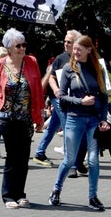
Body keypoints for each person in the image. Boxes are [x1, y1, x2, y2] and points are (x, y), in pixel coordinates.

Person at [49, 35, 109, 212]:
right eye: (74, 49)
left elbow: (105, 97)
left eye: (79, 49)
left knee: (93, 160)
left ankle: (93, 196)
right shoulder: (68, 68)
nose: (75, 52)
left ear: (89, 50)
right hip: (74, 118)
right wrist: (80, 102)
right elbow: (62, 97)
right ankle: (56, 190)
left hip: (93, 120)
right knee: (69, 159)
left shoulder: (99, 69)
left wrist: (103, 118)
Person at [0, 28, 43, 209]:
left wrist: (40, 116)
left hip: (26, 117)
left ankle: (20, 194)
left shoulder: (32, 62)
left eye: (24, 45)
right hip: (7, 117)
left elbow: (38, 91)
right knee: (12, 156)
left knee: (23, 157)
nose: (22, 48)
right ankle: (8, 195)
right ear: (9, 48)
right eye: (18, 45)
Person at [33, 30, 83, 168]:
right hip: (59, 98)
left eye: (69, 42)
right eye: (65, 41)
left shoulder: (81, 57)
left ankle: (39, 153)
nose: (66, 44)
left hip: (71, 98)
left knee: (53, 125)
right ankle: (70, 159)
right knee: (68, 125)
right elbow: (51, 77)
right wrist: (56, 90)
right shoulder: (61, 58)